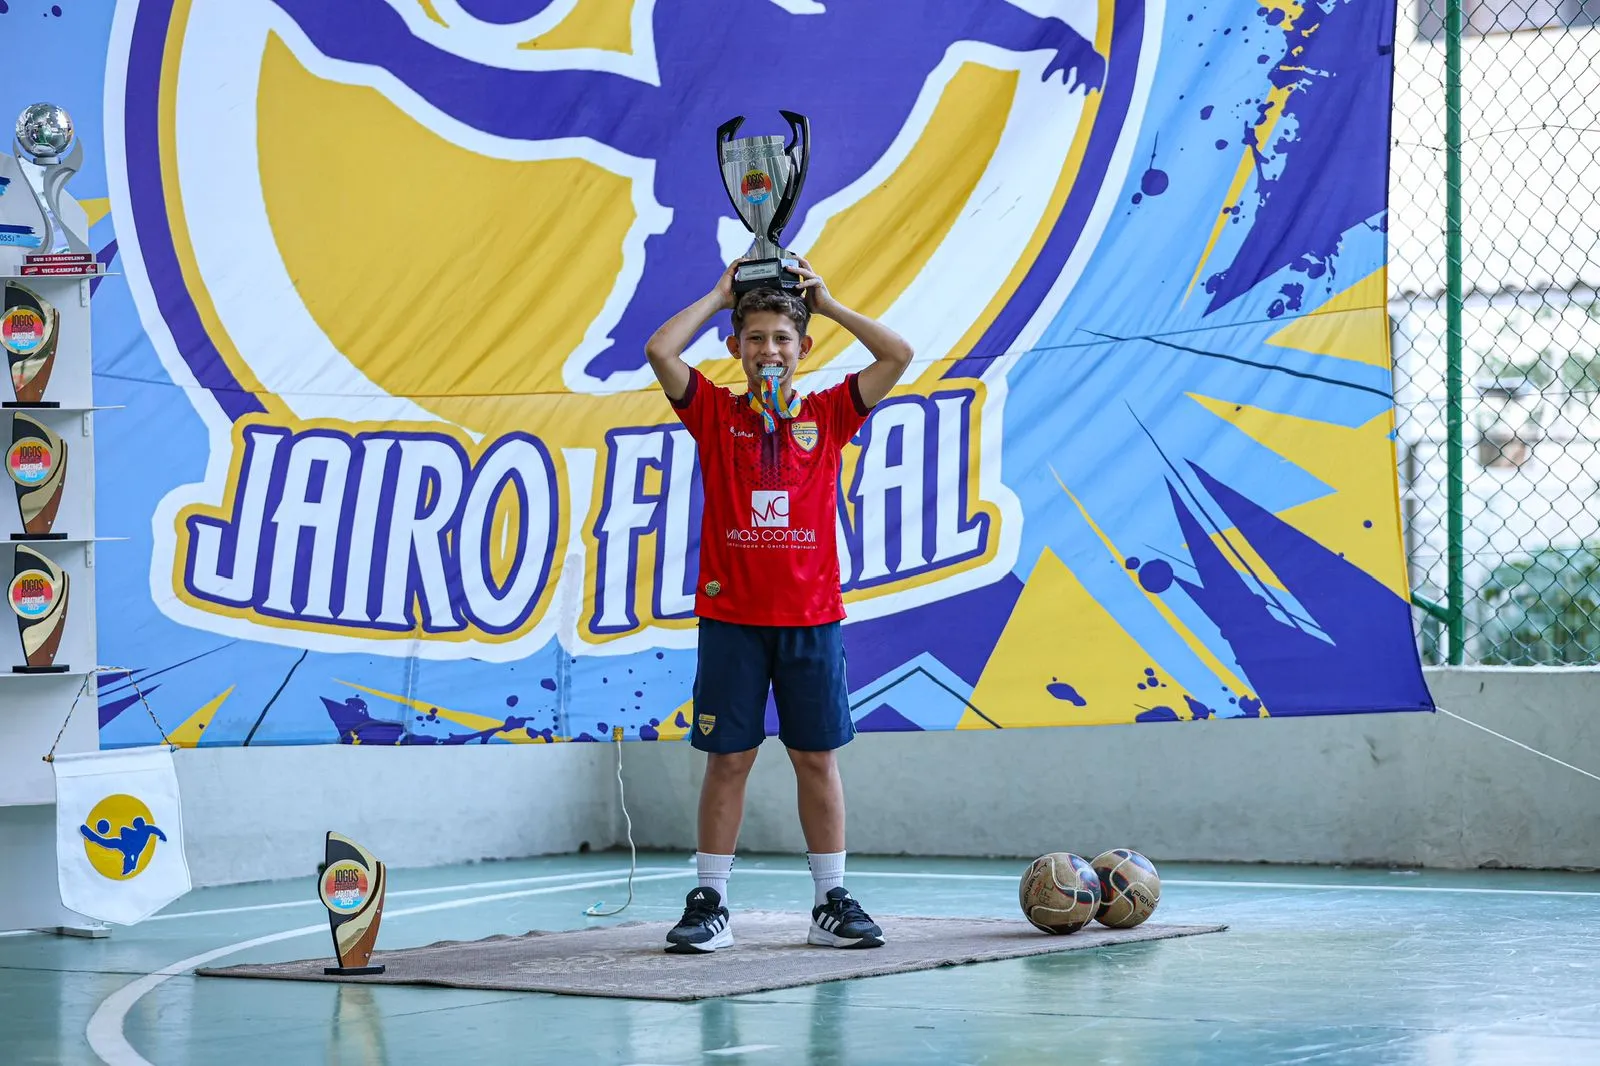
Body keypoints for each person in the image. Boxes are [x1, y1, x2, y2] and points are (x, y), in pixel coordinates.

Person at [644, 257, 914, 953]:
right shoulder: (713, 412)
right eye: (756, 338)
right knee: (727, 761)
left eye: (782, 339)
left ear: (803, 349)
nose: (769, 351)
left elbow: (898, 354)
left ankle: (831, 900)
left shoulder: (827, 415)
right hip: (732, 621)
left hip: (811, 620)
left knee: (815, 759)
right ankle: (710, 901)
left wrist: (827, 303)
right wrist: (716, 296)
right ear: (735, 348)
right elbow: (659, 350)